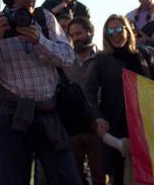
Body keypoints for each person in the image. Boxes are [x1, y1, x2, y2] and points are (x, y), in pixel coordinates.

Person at [0, 0, 81, 185]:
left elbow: (69, 58)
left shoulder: (45, 19)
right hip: (10, 118)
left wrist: (40, 41)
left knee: (68, 179)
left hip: (49, 113)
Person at [85, 15, 154, 184]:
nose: (115, 34)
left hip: (144, 124)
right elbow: (89, 92)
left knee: (145, 174)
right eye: (110, 31)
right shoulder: (101, 59)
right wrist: (98, 117)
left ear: (127, 30)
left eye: (118, 29)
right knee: (119, 174)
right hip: (116, 124)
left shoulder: (143, 54)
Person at [62, 17, 102, 185]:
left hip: (98, 126)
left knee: (100, 175)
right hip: (73, 128)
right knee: (75, 176)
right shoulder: (65, 62)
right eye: (72, 35)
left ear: (90, 32)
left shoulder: (102, 58)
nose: (75, 38)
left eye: (79, 33)